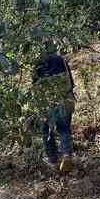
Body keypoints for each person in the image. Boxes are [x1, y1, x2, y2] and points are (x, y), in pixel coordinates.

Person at [31, 41, 76, 173]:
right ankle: (67, 154)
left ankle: (53, 160)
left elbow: (34, 88)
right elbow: (71, 83)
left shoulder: (38, 65)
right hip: (64, 99)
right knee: (64, 128)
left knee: (46, 131)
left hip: (46, 103)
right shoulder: (61, 60)